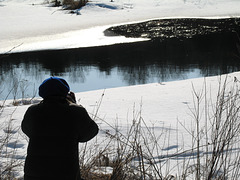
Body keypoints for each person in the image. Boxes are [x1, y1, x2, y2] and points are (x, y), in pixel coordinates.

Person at [21, 77, 99, 180]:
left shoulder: (33, 111)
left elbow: (26, 129)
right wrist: (73, 104)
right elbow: (91, 132)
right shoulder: (75, 112)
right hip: (65, 173)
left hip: (34, 174)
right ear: (65, 92)